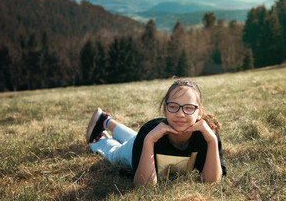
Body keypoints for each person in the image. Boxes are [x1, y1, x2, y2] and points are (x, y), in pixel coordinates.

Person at [86, 79, 226, 186]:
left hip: (140, 138)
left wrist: (212, 141)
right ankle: (102, 138)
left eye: (189, 108)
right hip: (137, 147)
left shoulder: (207, 134)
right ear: (165, 109)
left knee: (134, 137)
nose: (180, 114)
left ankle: (106, 121)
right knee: (116, 154)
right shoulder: (150, 132)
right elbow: (144, 186)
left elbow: (211, 182)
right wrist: (149, 141)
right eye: (173, 107)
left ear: (200, 112)